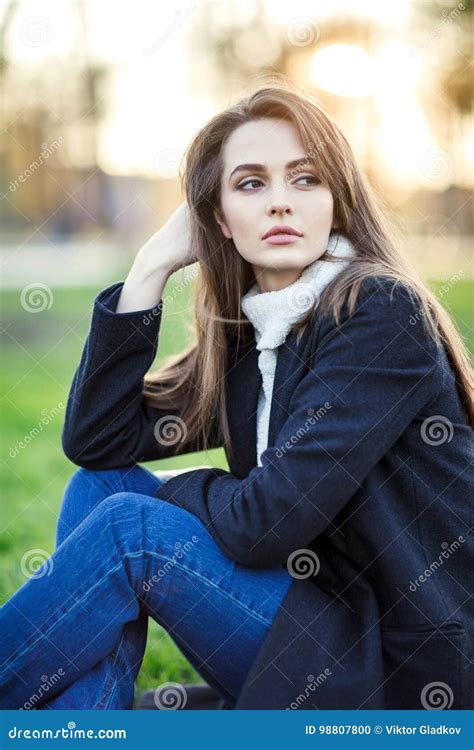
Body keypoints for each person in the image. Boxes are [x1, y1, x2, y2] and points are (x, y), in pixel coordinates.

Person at [0, 83, 472, 710]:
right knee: (98, 492)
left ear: (337, 202)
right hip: (315, 615)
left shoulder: (378, 313)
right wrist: (148, 269)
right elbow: (98, 442)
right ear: (218, 219)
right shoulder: (255, 331)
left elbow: (265, 525)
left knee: (130, 527)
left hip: (390, 662)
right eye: (251, 184)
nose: (280, 203)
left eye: (305, 180)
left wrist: (171, 498)